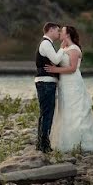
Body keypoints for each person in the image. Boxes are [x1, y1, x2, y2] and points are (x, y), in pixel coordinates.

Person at [45, 25, 93, 152]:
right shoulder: (64, 48)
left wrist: (55, 70)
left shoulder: (74, 49)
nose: (60, 32)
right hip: (64, 84)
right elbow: (57, 60)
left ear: (67, 35)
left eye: (63, 31)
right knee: (65, 110)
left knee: (76, 111)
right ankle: (65, 142)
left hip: (73, 83)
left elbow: (72, 68)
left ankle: (81, 143)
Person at [34, 22, 65, 153]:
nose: (59, 33)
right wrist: (63, 48)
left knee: (45, 113)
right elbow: (56, 60)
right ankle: (44, 144)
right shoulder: (46, 43)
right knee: (47, 113)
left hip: (45, 82)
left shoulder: (47, 43)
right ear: (50, 30)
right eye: (57, 31)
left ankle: (41, 142)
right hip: (46, 82)